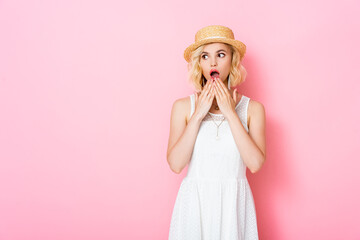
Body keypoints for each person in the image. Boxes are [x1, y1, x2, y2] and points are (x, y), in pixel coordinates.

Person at [167, 25, 266, 240]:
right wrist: (198, 115)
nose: (213, 62)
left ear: (232, 61)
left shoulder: (253, 110)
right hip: (195, 206)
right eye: (205, 56)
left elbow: (255, 164)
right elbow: (175, 164)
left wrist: (231, 113)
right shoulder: (183, 107)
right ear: (199, 63)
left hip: (233, 206)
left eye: (220, 55)